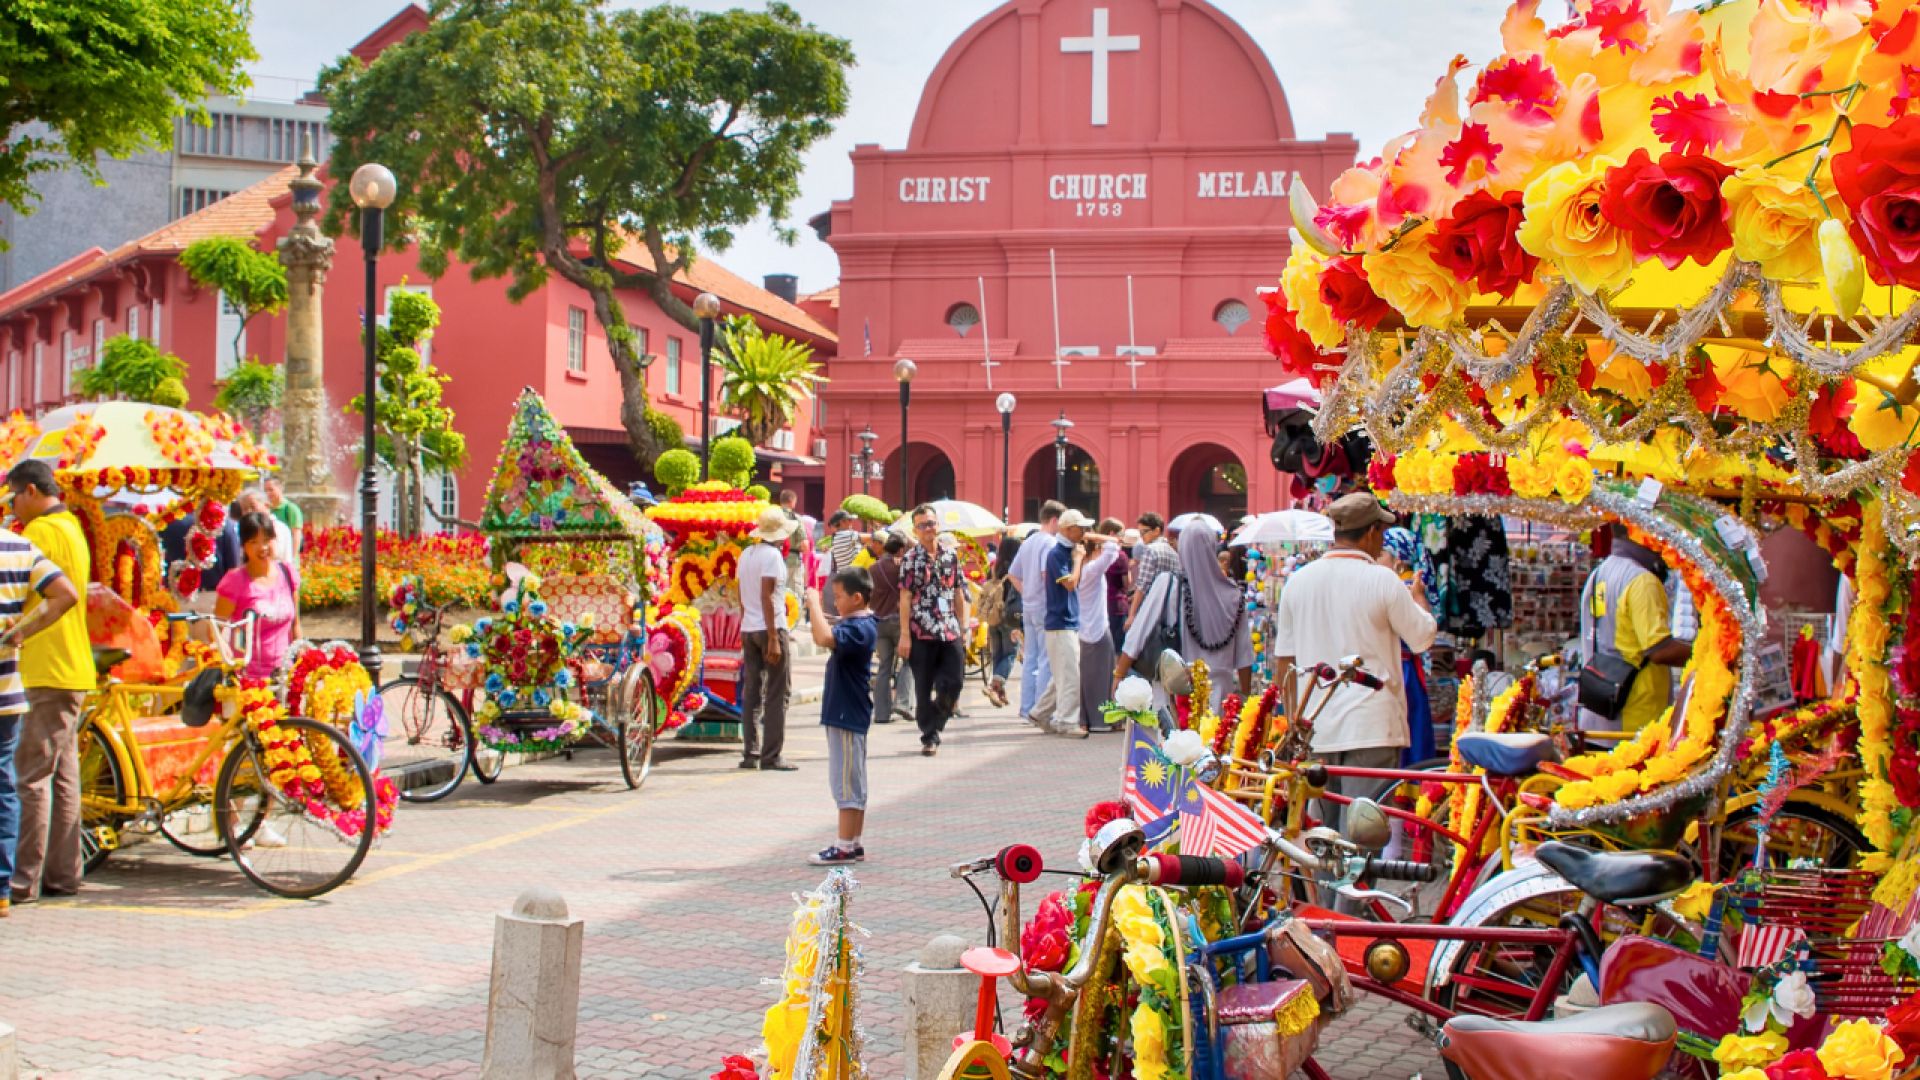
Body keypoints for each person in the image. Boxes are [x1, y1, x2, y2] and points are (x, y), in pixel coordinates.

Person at [1270, 493, 1437, 826]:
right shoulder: (1382, 579)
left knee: (1321, 837)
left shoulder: (1298, 582)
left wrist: (1292, 721)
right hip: (1371, 726)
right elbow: (1422, 638)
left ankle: (1327, 881)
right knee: (1360, 839)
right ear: (1372, 531)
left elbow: (1284, 665)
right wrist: (1419, 601)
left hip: (1316, 726)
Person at [6, 460, 92, 906]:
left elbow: (20, 594)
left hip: (45, 666)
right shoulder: (72, 527)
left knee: (32, 777)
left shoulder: (39, 534)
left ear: (33, 492)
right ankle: (63, 874)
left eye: (14, 497)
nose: (12, 507)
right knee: (62, 778)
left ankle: (22, 880)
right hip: (72, 666)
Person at [0, 528, 80, 918]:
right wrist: (19, 633)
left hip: (36, 681)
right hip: (8, 691)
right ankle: (3, 887)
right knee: (7, 787)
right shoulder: (19, 546)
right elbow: (66, 593)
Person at [1118, 518, 1254, 707]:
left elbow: (1137, 635)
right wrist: (1246, 699)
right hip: (1220, 698)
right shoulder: (1233, 594)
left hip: (1177, 695)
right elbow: (1244, 655)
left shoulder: (1168, 584)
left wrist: (1118, 676)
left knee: (1177, 737)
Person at [1579, 522, 1692, 732]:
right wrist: (1707, 653)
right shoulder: (1642, 581)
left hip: (1600, 710)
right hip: (1633, 715)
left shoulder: (1599, 572)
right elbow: (1660, 651)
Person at [802, 567, 877, 866]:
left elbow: (823, 637)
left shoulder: (858, 629)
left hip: (846, 712)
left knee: (845, 782)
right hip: (850, 711)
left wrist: (813, 604)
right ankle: (853, 842)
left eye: (839, 597)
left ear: (857, 598)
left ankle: (844, 845)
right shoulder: (860, 624)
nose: (835, 603)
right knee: (853, 781)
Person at [899, 504, 969, 756]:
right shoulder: (909, 559)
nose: (928, 529)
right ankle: (929, 736)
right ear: (915, 530)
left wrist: (962, 626)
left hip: (948, 627)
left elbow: (958, 591)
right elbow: (905, 597)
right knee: (922, 686)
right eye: (922, 525)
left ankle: (938, 716)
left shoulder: (951, 555)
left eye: (931, 523)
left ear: (937, 524)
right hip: (921, 630)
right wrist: (905, 635)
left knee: (955, 681)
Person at [737, 506, 799, 772]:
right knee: (776, 692)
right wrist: (773, 636)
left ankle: (751, 752)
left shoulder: (745, 554)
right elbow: (767, 596)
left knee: (752, 692)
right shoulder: (772, 556)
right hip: (769, 627)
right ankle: (771, 755)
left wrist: (748, 624)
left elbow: (742, 597)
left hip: (749, 628)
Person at [1027, 509, 1093, 739]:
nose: (1084, 531)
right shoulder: (1058, 554)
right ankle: (1066, 721)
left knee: (1062, 675)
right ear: (1067, 529)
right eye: (1080, 527)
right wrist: (1078, 560)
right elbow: (1070, 584)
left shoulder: (1065, 551)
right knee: (1070, 676)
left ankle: (1040, 712)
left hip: (1065, 621)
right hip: (1061, 622)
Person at [214, 512, 303, 681]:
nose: (262, 547)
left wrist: (302, 658)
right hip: (248, 679)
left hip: (285, 676)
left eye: (267, 540)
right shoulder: (235, 581)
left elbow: (296, 625)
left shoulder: (288, 573)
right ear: (244, 546)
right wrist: (225, 652)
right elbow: (216, 629)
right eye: (254, 542)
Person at [1383, 525, 1440, 764]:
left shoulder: (1402, 587)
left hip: (1401, 671)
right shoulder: (1401, 585)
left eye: (1382, 553)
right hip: (1404, 670)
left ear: (1398, 559)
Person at [1007, 500, 1066, 720]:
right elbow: (1046, 574)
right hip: (1044, 605)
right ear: (1054, 520)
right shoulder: (1050, 543)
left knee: (1030, 657)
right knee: (1045, 659)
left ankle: (1026, 708)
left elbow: (1013, 574)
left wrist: (1027, 592)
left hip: (1029, 605)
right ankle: (1041, 710)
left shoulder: (1029, 542)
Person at [1074, 517, 1125, 732]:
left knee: (1089, 676)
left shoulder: (1080, 569)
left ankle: (1090, 718)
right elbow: (1114, 548)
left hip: (1087, 627)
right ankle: (1100, 720)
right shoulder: (1091, 570)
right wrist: (1095, 535)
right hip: (1096, 628)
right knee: (1102, 676)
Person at [868, 531, 913, 725]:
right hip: (899, 621)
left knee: (884, 667)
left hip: (879, 621)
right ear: (902, 549)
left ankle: (881, 712)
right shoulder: (903, 566)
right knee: (909, 661)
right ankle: (903, 702)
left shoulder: (873, 568)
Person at [983, 532, 1024, 709]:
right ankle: (994, 686)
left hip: (994, 617)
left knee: (998, 654)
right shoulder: (1016, 568)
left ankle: (1000, 691)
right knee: (1010, 654)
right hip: (1009, 617)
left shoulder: (994, 567)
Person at [1128, 512, 1179, 631]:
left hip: (1150, 609)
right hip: (1170, 610)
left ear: (1156, 530)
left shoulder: (1150, 550)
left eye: (1144, 532)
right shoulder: (1173, 552)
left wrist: (1132, 615)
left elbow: (1142, 585)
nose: (1142, 536)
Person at [1101, 518, 1133, 654]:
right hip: (1117, 604)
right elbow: (1127, 582)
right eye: (1121, 534)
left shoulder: (1095, 552)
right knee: (1118, 648)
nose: (1122, 538)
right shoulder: (1120, 556)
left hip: (1099, 605)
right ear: (1112, 533)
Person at [264, 476, 303, 568]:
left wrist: (292, 559)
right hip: (272, 561)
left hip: (287, 560)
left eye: (271, 490)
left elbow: (296, 536)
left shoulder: (290, 509)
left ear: (280, 488)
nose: (268, 493)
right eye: (265, 490)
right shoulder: (267, 509)